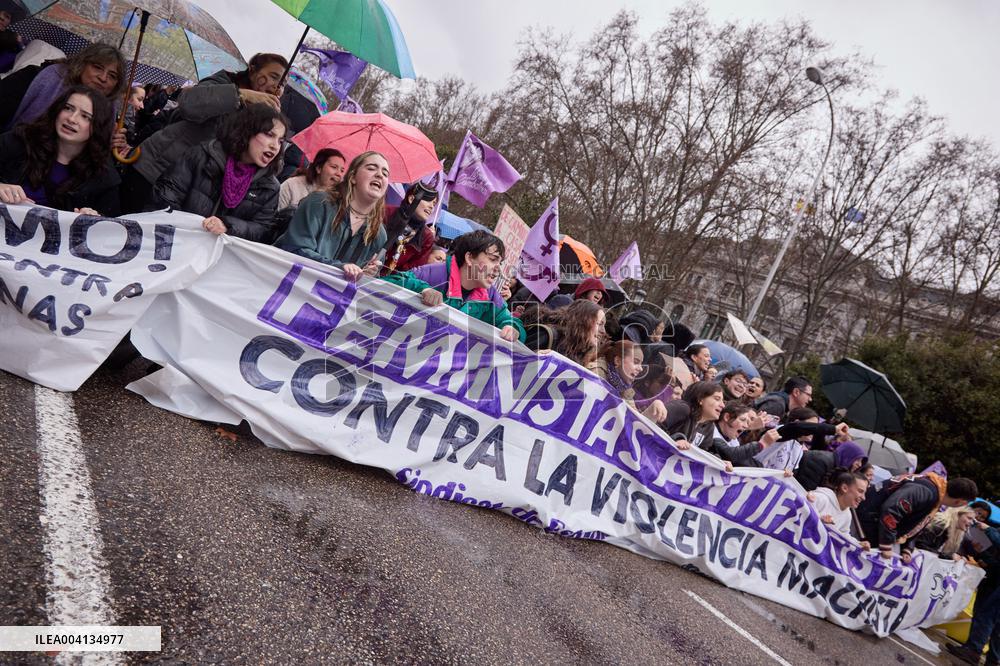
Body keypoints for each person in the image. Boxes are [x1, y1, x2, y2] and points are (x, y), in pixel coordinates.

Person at [120, 52, 288, 213]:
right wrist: (241, 95)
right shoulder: (224, 81)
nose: (276, 86)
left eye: (282, 84)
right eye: (273, 77)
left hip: (188, 188)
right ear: (253, 68)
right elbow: (188, 103)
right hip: (155, 169)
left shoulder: (261, 116)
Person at [153, 103, 286, 243]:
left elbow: (262, 230)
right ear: (248, 130)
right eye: (269, 135)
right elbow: (164, 198)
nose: (275, 146)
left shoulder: (270, 187)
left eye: (280, 141)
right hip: (174, 245)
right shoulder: (201, 156)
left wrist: (227, 225)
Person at [382, 229, 525, 343]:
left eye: (499, 263)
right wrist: (422, 289)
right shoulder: (434, 274)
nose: (498, 269)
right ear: (469, 258)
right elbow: (387, 283)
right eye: (493, 260)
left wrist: (513, 328)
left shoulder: (491, 295)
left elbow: (509, 321)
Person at [0, 85, 120, 216]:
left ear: (98, 127)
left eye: (85, 117)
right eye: (68, 108)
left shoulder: (104, 177)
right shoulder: (18, 141)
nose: (72, 119)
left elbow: (111, 228)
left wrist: (94, 221)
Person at [276, 151, 389, 276]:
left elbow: (366, 286)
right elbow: (295, 249)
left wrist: (369, 274)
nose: (380, 175)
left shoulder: (379, 234)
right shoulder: (318, 203)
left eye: (385, 174)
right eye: (371, 168)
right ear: (352, 177)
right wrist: (339, 267)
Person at [0, 43, 126, 132]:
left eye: (112, 76)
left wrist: (109, 144)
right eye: (97, 67)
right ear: (82, 64)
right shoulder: (33, 77)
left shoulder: (108, 112)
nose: (103, 78)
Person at [856, 474, 978, 562]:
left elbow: (915, 523)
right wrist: (886, 543)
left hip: (870, 523)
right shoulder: (926, 491)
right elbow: (891, 510)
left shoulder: (935, 491)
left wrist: (907, 547)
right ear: (959, 502)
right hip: (862, 524)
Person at [588, 339, 668, 422]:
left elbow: (633, 423)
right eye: (636, 362)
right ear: (618, 361)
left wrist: (653, 410)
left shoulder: (624, 388)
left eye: (641, 364)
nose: (640, 369)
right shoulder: (594, 373)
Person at [521, 299, 605, 364]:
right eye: (599, 324)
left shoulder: (582, 352)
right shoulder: (548, 335)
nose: (603, 331)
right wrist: (534, 357)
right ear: (583, 321)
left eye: (604, 325)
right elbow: (515, 358)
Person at [381, 181, 438, 273]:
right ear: (411, 199)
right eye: (428, 200)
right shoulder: (384, 213)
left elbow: (412, 272)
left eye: (434, 204)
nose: (431, 206)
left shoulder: (427, 237)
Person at [710, 401, 782, 468]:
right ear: (727, 417)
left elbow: (746, 461)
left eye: (748, 422)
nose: (746, 426)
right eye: (742, 420)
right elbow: (731, 455)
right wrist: (762, 444)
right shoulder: (711, 432)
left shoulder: (732, 437)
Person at [808, 470, 870, 540]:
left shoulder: (847, 514)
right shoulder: (821, 498)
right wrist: (819, 520)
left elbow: (844, 537)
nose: (863, 498)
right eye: (860, 491)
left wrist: (859, 545)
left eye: (864, 493)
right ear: (844, 488)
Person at [278, 147, 345, 209]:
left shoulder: (338, 199)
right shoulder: (292, 185)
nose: (339, 174)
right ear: (319, 168)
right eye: (334, 167)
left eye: (342, 170)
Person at [913, 507, 977, 560]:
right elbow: (920, 545)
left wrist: (961, 557)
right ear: (957, 515)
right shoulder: (940, 525)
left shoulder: (957, 533)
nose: (971, 523)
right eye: (969, 518)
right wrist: (950, 556)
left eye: (972, 520)